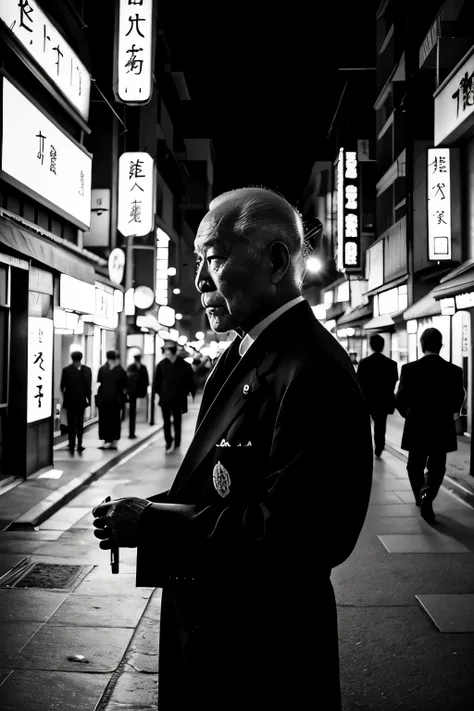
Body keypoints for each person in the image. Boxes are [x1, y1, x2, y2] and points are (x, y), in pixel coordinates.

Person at [92, 187, 373, 711]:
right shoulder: (249, 351)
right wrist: (145, 511)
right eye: (198, 259)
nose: (199, 279)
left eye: (214, 258)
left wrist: (152, 521)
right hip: (219, 638)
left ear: (275, 260)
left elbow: (294, 537)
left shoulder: (311, 370)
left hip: (262, 659)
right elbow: (220, 485)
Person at [395, 327, 464, 523]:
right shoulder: (454, 371)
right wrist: (447, 415)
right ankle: (427, 494)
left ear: (421, 345)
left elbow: (399, 400)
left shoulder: (409, 369)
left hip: (416, 425)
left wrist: (409, 414)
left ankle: (421, 497)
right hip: (441, 426)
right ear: (441, 346)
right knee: (437, 466)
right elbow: (458, 399)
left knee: (414, 466)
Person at [357, 334, 399, 457]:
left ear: (370, 346)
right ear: (383, 346)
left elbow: (359, 382)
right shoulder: (391, 364)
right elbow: (393, 381)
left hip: (367, 399)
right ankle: (379, 447)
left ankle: (365, 447)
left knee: (364, 425)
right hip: (383, 400)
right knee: (381, 425)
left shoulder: (364, 363)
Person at [153, 341, 196, 453]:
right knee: (166, 422)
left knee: (177, 421)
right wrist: (159, 393)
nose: (165, 353)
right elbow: (156, 383)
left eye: (166, 350)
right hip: (165, 399)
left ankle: (177, 442)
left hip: (178, 398)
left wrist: (189, 393)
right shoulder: (161, 365)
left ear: (171, 351)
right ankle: (168, 442)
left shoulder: (184, 365)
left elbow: (190, 381)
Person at [60, 350, 92, 455]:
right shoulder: (87, 370)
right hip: (81, 401)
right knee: (79, 423)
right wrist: (88, 400)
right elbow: (88, 387)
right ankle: (79, 444)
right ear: (81, 358)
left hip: (69, 400)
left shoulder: (66, 370)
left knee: (71, 423)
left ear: (72, 358)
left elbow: (62, 386)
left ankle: (71, 443)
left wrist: (66, 396)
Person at [96, 350, 127, 450]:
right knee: (114, 419)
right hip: (115, 399)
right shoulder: (120, 370)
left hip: (105, 398)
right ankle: (112, 439)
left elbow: (99, 383)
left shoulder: (102, 369)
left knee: (105, 419)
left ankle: (107, 439)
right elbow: (124, 385)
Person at [126, 352, 150, 439]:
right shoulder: (141, 368)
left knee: (132, 413)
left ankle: (131, 432)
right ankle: (131, 433)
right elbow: (146, 381)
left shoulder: (131, 367)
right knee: (132, 413)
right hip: (135, 393)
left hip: (133, 393)